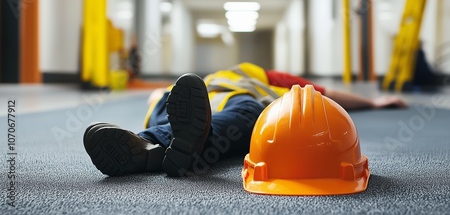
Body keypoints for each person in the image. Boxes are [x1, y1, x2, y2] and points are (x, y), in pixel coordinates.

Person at [83, 62, 406, 177]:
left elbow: (323, 93)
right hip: (230, 106)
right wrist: (373, 102)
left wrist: (373, 102)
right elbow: (322, 94)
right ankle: (184, 145)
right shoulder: (258, 75)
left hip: (164, 105)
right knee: (249, 114)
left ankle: (148, 146)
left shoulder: (188, 86)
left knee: (163, 119)